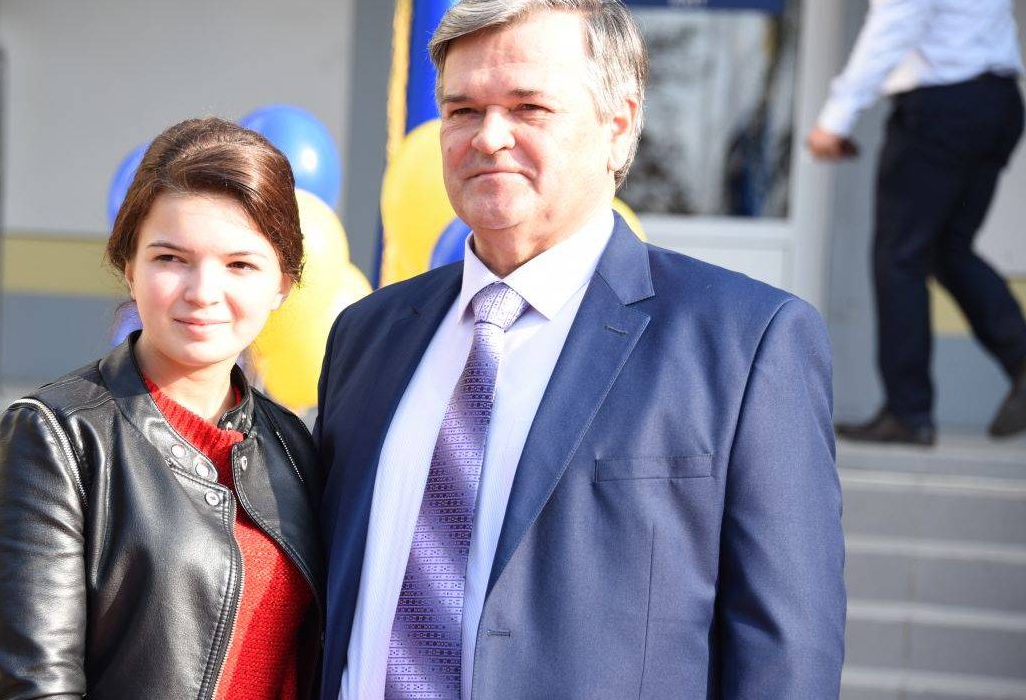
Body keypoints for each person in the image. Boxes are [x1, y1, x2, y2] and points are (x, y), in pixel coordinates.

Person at [314, 1, 845, 698]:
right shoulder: (368, 336)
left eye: (529, 107)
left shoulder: (746, 344)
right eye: (462, 110)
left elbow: (786, 655)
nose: (489, 137)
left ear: (618, 127)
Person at [0, 117, 324, 699]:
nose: (202, 292)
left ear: (282, 283)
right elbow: (34, 684)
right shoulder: (56, 437)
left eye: (239, 264)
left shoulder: (293, 446)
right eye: (171, 258)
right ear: (130, 267)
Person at [809, 0, 1026, 443]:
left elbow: (894, 22)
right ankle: (1019, 359)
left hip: (943, 105)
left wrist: (836, 117)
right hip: (996, 103)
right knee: (947, 249)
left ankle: (908, 413)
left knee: (899, 257)